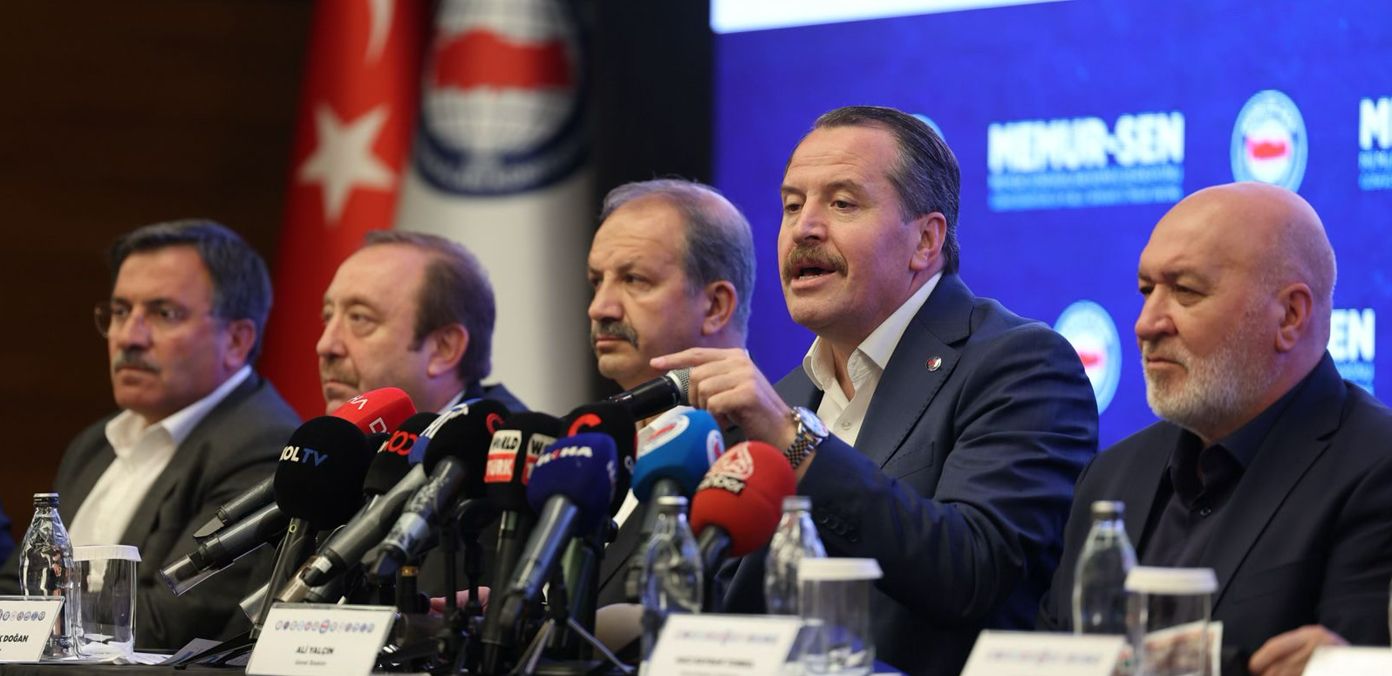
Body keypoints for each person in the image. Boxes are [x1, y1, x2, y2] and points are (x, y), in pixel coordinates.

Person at [655, 106, 1099, 675]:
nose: (805, 228)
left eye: (842, 204)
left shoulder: (1019, 364)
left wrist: (795, 443)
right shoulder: (790, 395)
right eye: (792, 205)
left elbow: (971, 570)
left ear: (925, 241)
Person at [1038, 182, 1392, 676]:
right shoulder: (1109, 476)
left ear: (1290, 316)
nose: (1146, 323)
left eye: (1185, 291)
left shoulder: (1377, 468)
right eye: (1146, 291)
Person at [0, 220, 300, 649]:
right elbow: (18, 584)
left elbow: (172, 621)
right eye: (121, 311)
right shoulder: (95, 444)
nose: (128, 337)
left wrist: (31, 620)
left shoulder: (265, 446)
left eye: (163, 314)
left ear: (236, 340)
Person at [584, 178, 755, 609]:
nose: (599, 307)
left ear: (715, 306)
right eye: (597, 281)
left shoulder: (758, 464)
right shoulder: (589, 453)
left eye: (634, 279)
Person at [317, 230, 524, 415]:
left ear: (443, 349)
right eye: (327, 316)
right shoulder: (335, 442)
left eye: (359, 318)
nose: (325, 346)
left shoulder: (501, 443)